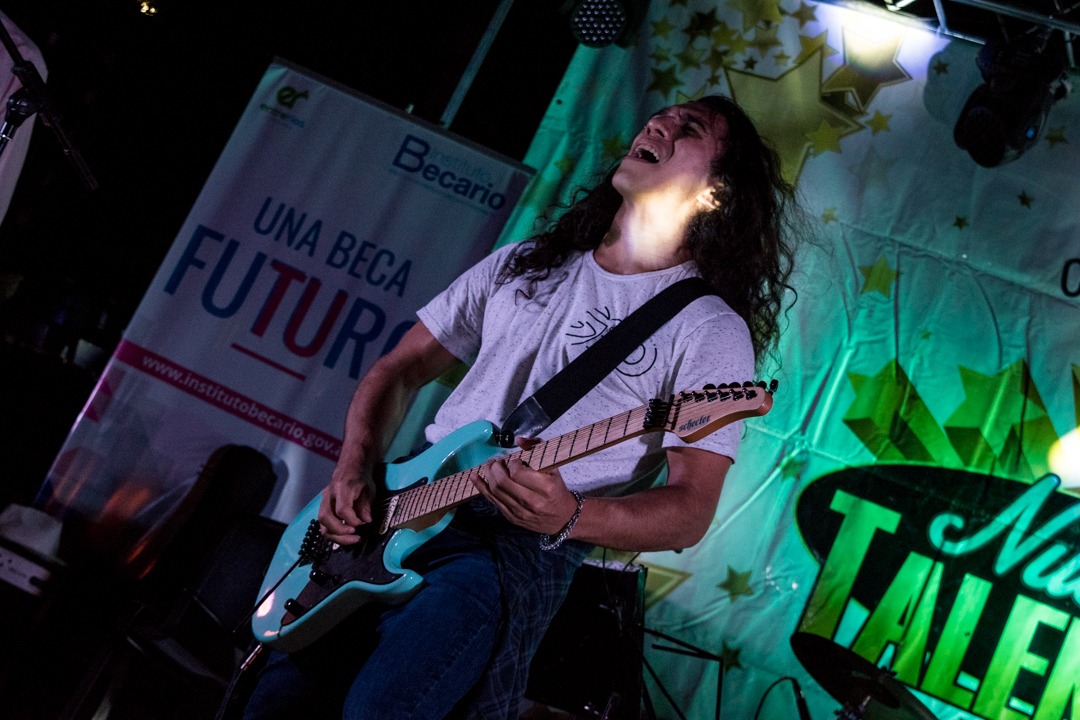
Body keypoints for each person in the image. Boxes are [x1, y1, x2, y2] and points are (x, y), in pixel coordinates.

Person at [242, 94, 802, 720]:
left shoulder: (708, 329)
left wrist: (572, 514)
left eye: (688, 127)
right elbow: (399, 369)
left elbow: (689, 512)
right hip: (394, 509)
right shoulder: (527, 262)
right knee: (274, 705)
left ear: (718, 193)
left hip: (507, 551)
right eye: (661, 115)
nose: (659, 123)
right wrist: (354, 467)